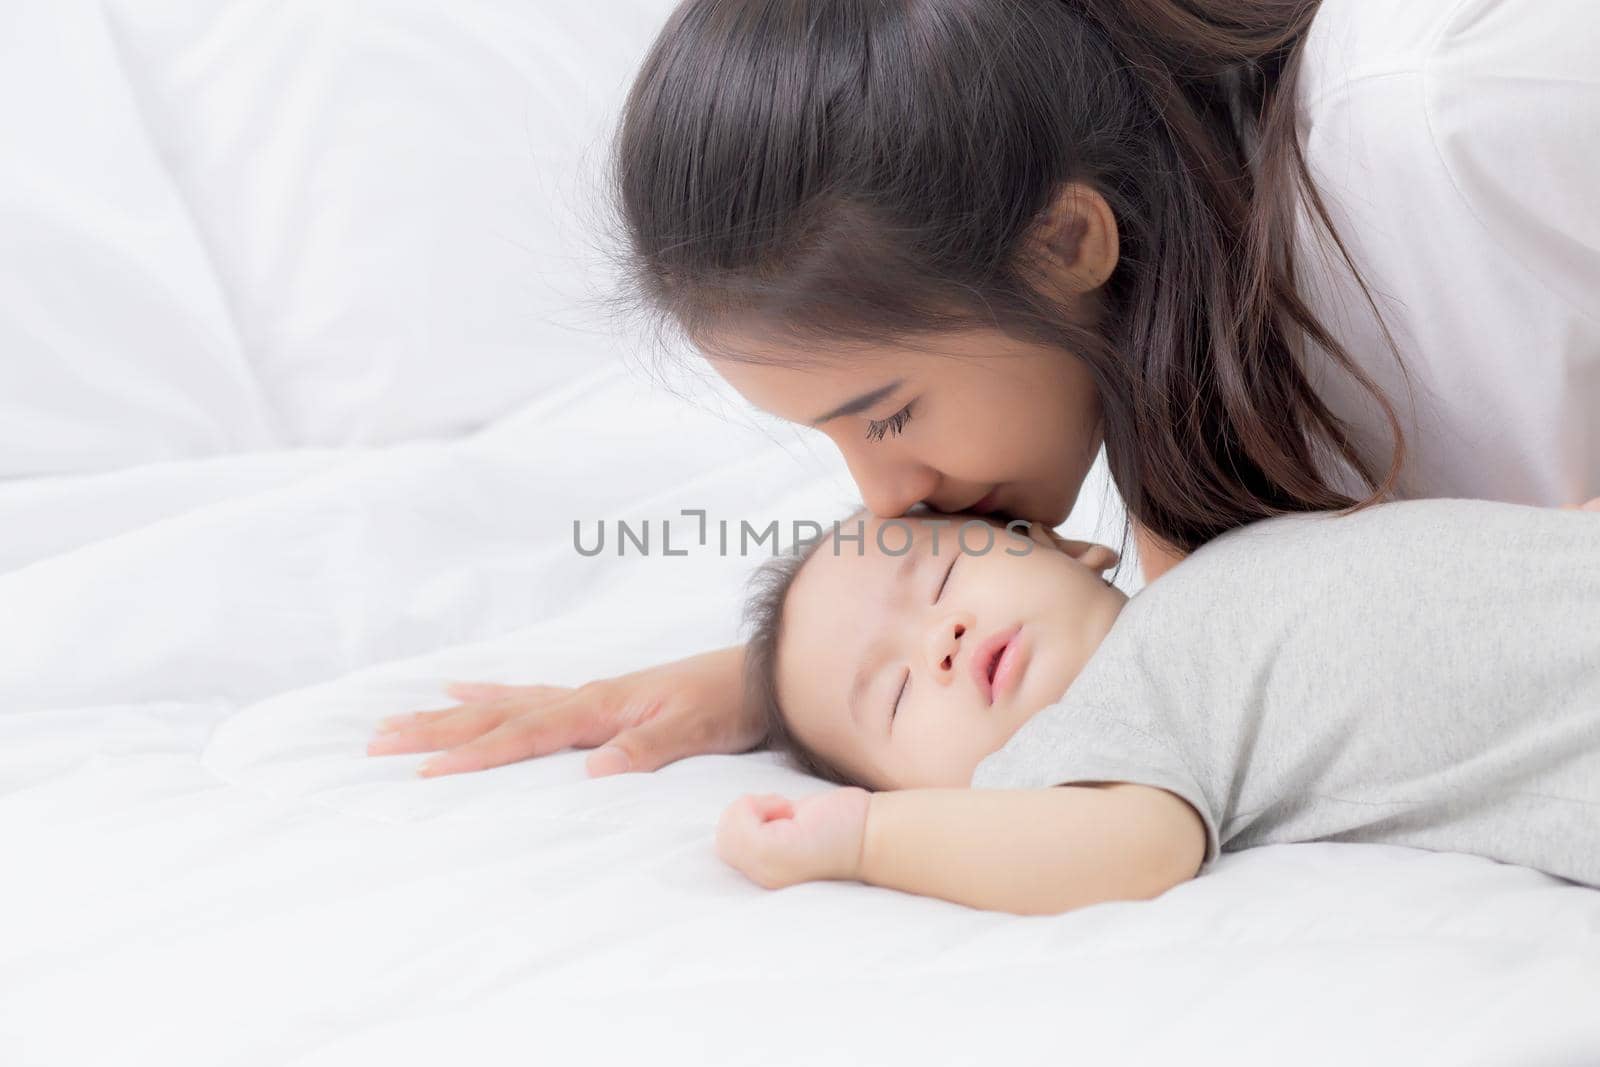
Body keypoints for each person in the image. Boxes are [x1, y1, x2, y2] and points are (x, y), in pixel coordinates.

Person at [366, 0, 1600, 779]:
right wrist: (804, 683)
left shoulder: (1459, 105)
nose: (887, 496)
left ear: (1067, 244)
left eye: (886, 413)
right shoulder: (1190, 339)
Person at [713, 502, 1600, 914]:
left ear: (1064, 545)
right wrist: (867, 838)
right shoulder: (1089, 739)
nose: (937, 640)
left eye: (942, 576)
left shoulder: (1212, 553)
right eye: (897, 694)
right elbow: (1137, 847)